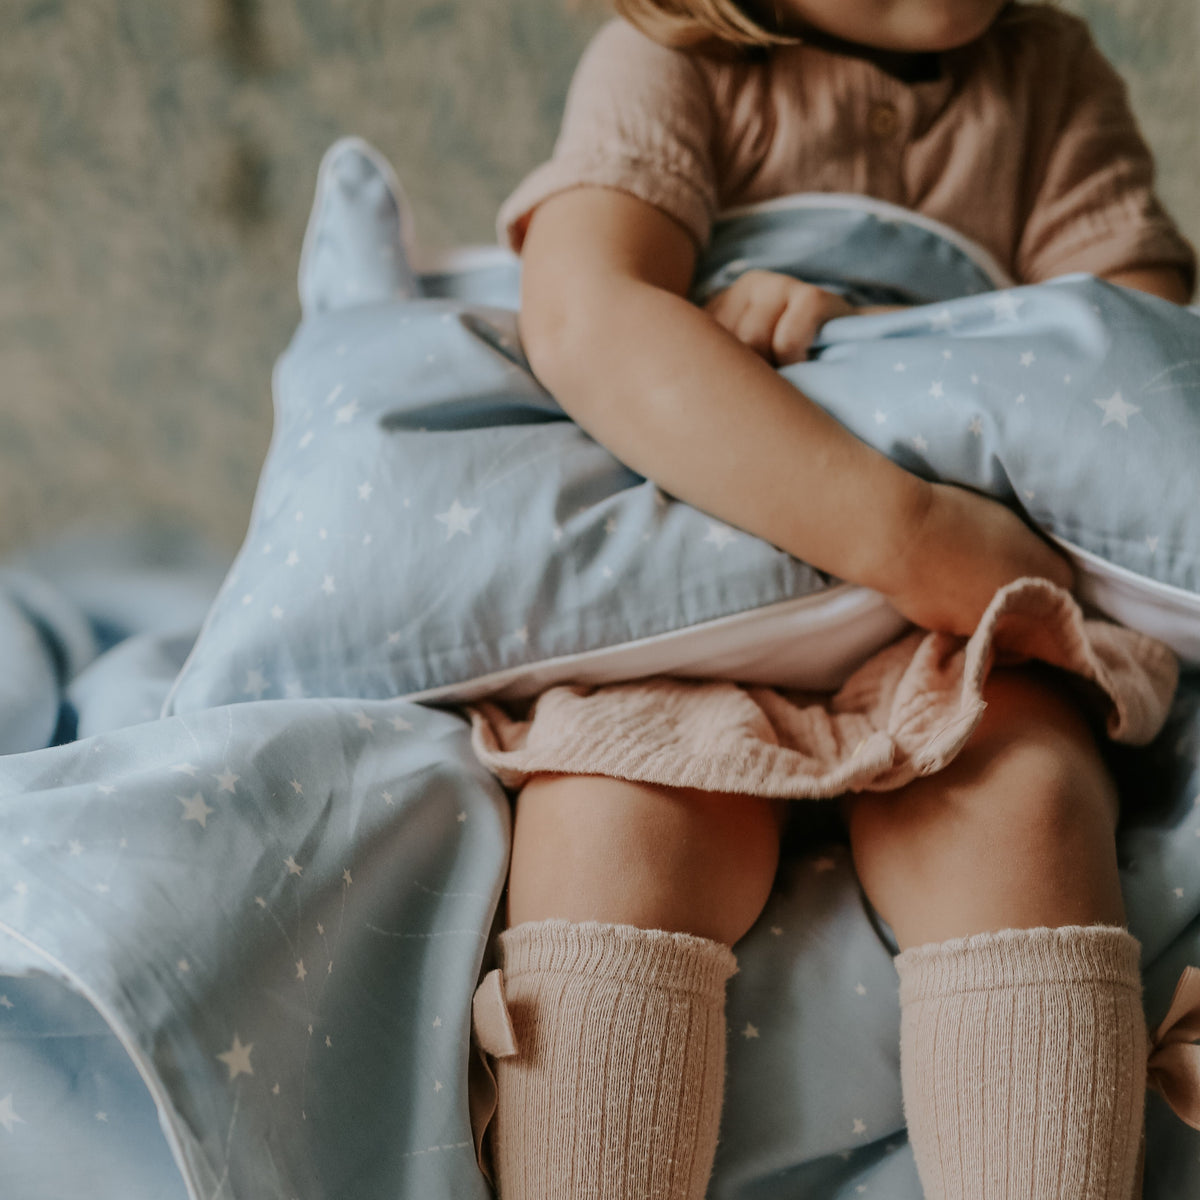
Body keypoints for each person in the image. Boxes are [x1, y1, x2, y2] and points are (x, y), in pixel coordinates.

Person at [471, 3, 1196, 1197]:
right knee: (610, 818)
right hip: (693, 602)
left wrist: (892, 350)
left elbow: (1128, 357)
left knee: (1024, 800)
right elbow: (585, 315)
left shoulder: (1047, 74)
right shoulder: (676, 66)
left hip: (959, 631)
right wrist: (894, 527)